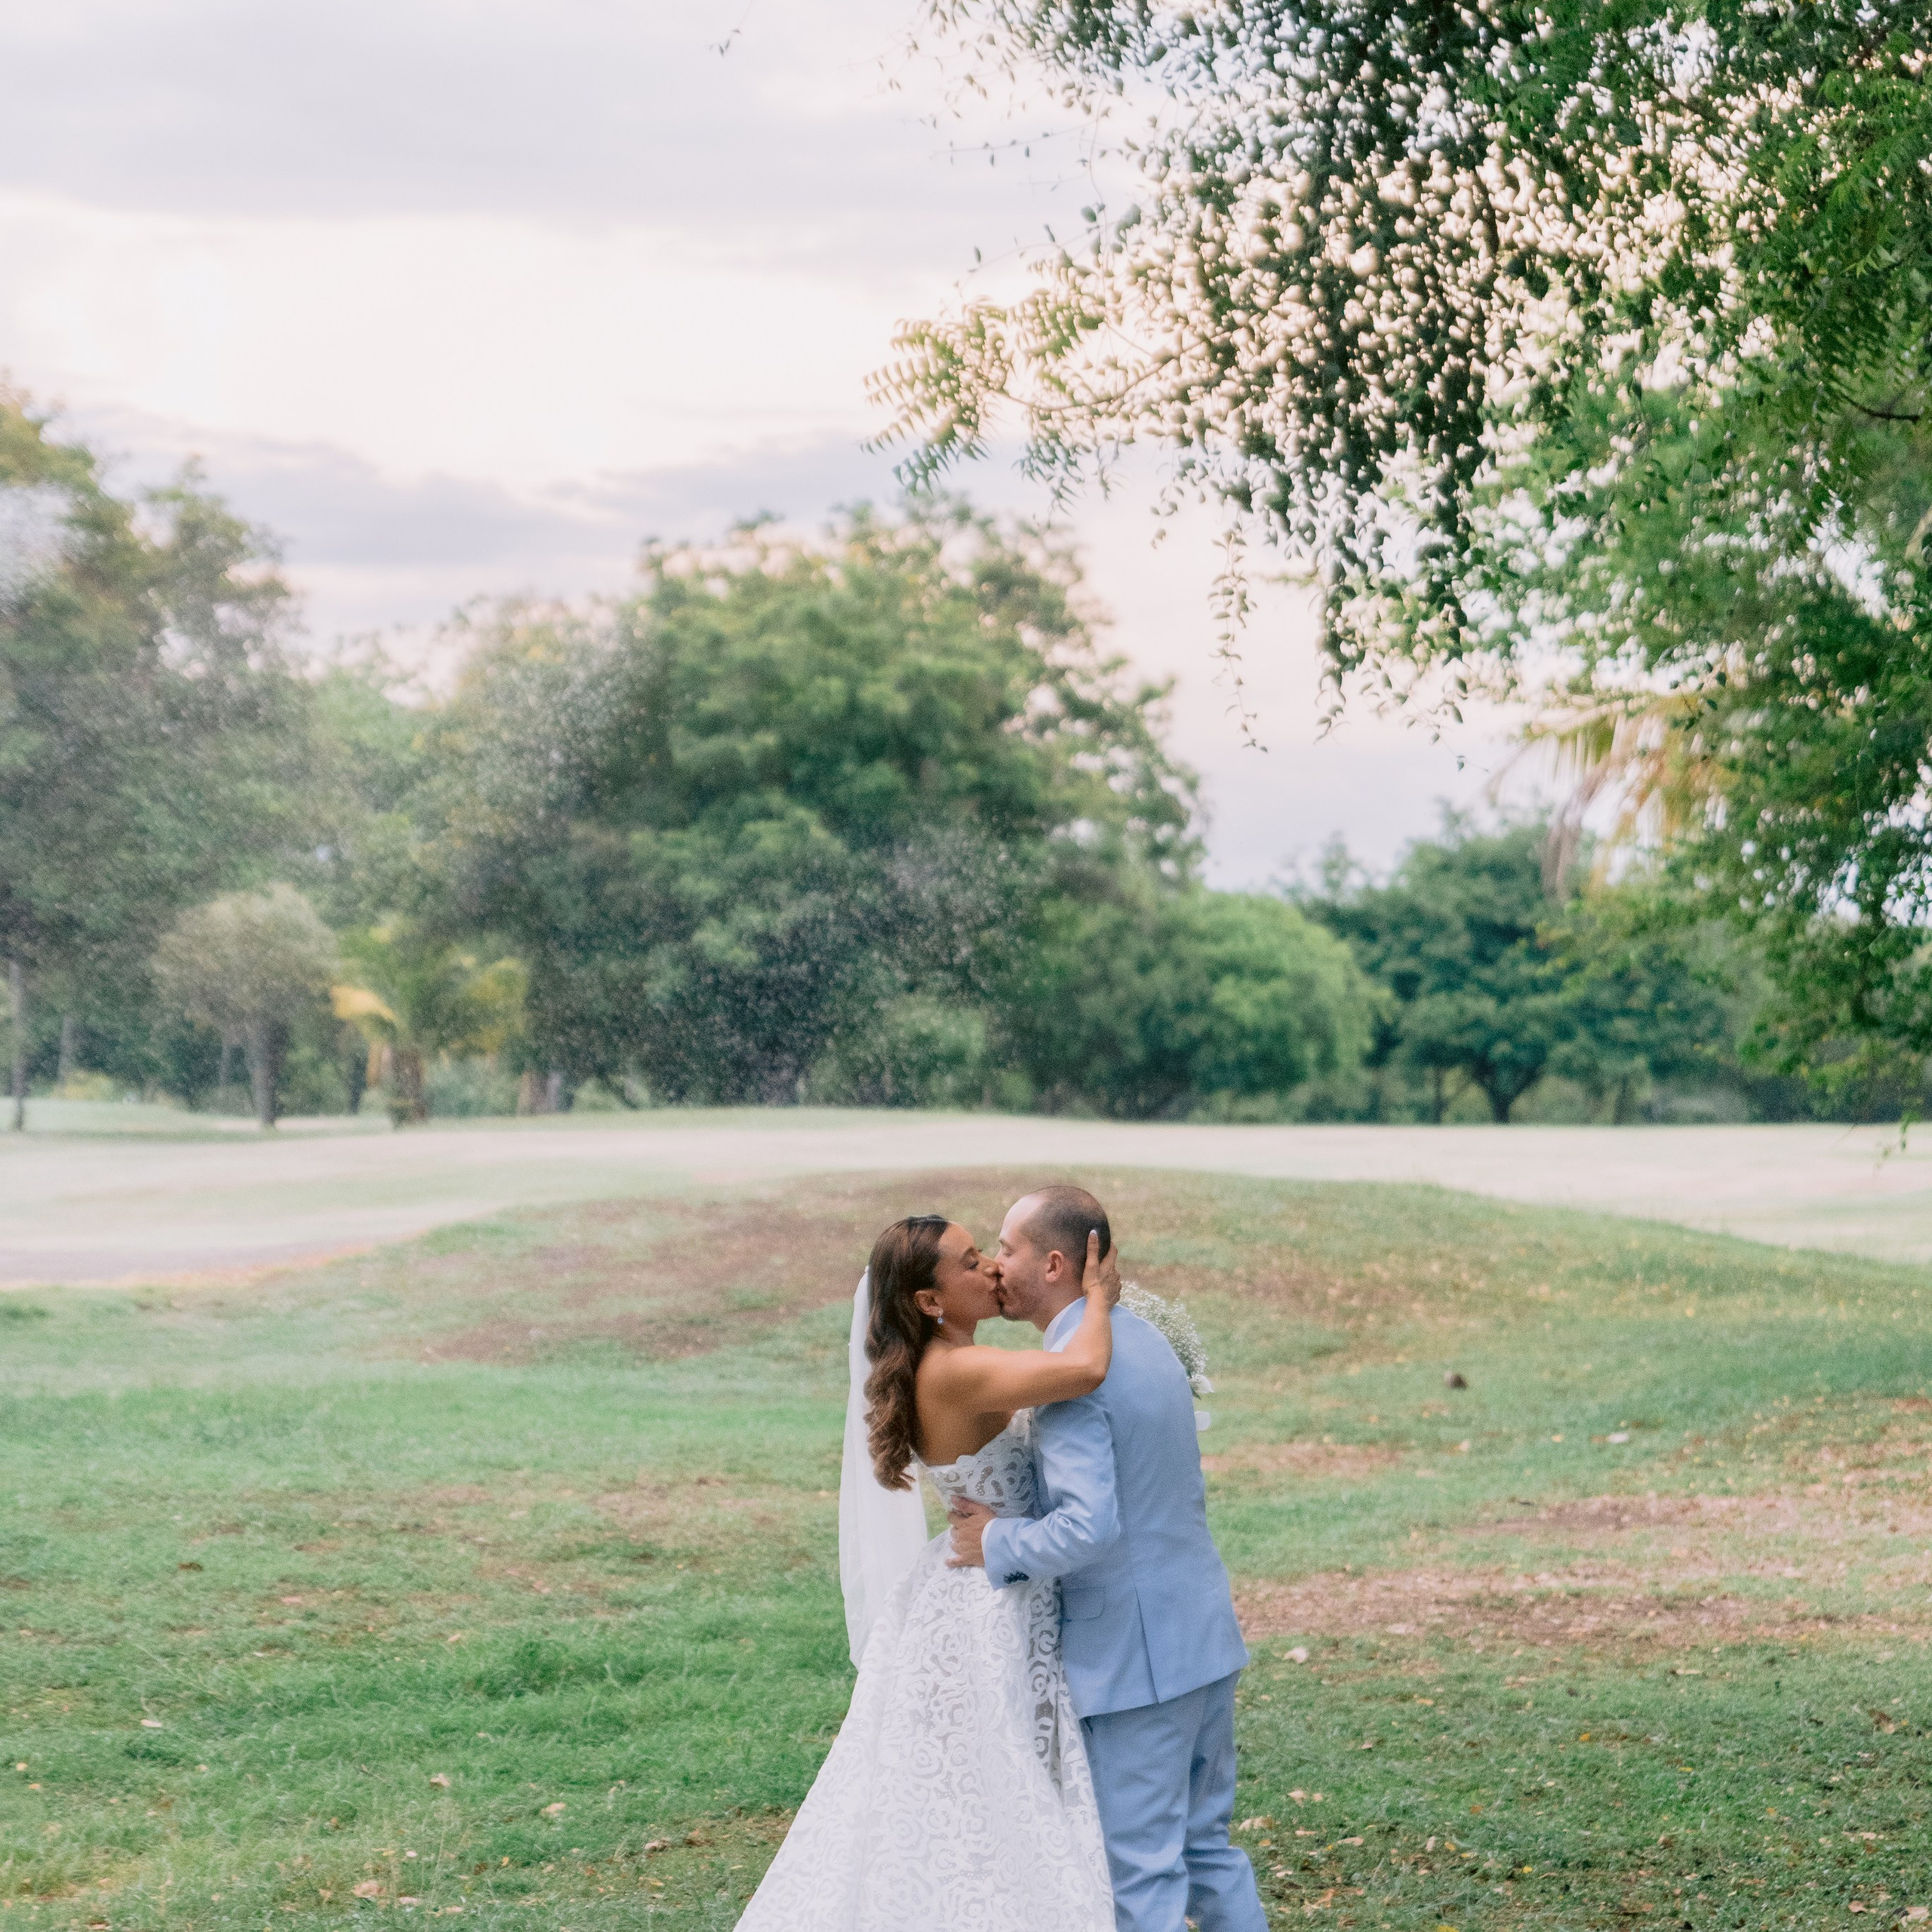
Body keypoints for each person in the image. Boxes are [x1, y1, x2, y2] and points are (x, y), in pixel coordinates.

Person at [734, 1210, 1123, 1932]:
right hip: (989, 1601)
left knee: (972, 1784)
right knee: (990, 1786)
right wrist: (1098, 1297)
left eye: (988, 1254)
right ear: (930, 1301)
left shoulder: (946, 1363)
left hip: (982, 1578)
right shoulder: (957, 1370)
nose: (993, 1270)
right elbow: (1086, 1368)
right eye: (972, 1262)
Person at [947, 1185, 1267, 1932]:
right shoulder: (1145, 1339)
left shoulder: (1071, 1377)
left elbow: (1088, 1528)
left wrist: (993, 1539)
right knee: (1207, 1850)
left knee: (1140, 1876)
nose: (997, 1262)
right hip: (1203, 1637)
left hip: (1137, 1663)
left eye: (1007, 1246)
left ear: (1054, 1262)